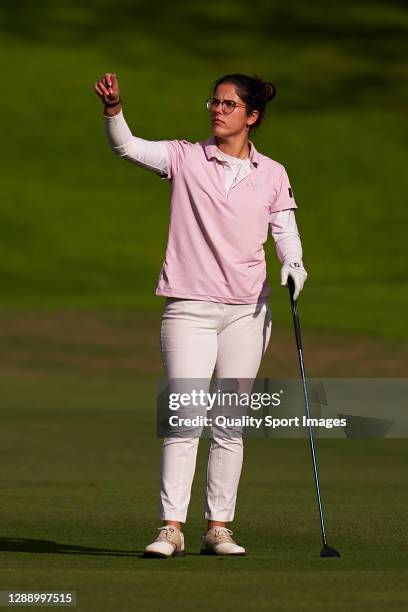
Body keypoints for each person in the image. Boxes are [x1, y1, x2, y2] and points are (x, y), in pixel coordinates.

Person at [94, 72, 307, 557]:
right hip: (189, 306)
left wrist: (293, 265)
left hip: (248, 313)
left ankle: (218, 527)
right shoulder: (185, 156)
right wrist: (114, 111)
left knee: (229, 423)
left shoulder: (272, 173)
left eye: (229, 104)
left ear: (251, 116)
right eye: (214, 101)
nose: (217, 109)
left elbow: (285, 231)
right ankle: (171, 527)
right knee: (184, 417)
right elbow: (127, 147)